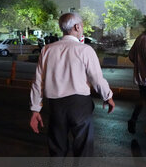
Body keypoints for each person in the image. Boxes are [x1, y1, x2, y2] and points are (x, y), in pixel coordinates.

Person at [29, 12, 115, 156]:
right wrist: (108, 97)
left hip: (56, 106)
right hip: (80, 105)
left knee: (57, 149)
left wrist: (35, 109)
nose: (82, 27)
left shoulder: (47, 50)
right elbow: (96, 78)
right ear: (76, 27)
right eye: (81, 25)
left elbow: (38, 82)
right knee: (83, 150)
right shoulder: (85, 50)